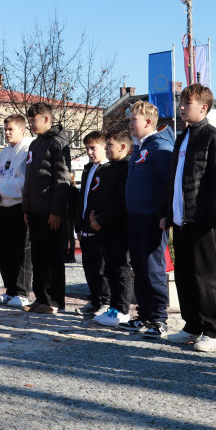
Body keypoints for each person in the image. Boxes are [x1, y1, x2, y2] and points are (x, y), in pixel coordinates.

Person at [161, 84, 216, 353]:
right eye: (180, 102)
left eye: (187, 103)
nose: (181, 107)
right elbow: (175, 179)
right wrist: (168, 214)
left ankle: (214, 331)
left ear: (203, 107)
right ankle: (192, 325)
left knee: (206, 277)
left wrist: (214, 219)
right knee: (185, 276)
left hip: (202, 220)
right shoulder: (182, 138)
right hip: (181, 220)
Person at [121, 101, 175, 336]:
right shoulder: (140, 147)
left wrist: (164, 213)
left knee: (153, 269)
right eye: (130, 119)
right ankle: (144, 315)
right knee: (140, 268)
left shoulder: (160, 147)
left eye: (134, 120)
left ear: (148, 122)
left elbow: (168, 184)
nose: (130, 123)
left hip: (152, 218)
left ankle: (158, 319)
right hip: (135, 216)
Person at [20, 102, 72, 314]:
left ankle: (54, 302)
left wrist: (57, 211)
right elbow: (30, 178)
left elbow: (62, 179)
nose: (31, 123)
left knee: (52, 258)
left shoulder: (58, 143)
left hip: (50, 212)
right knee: (38, 257)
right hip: (34, 210)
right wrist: (26, 207)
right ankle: (40, 297)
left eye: (34, 120)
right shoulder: (35, 144)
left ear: (47, 120)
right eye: (30, 120)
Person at [0, 114, 34, 306]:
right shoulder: (5, 152)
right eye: (4, 129)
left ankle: (22, 292)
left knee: (21, 251)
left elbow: (24, 181)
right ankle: (10, 289)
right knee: (5, 252)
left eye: (10, 129)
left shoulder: (27, 150)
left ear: (22, 130)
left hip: (19, 206)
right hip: (3, 206)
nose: (6, 133)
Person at [90, 130, 135, 327]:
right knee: (110, 268)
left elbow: (122, 202)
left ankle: (122, 310)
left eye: (109, 145)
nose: (106, 148)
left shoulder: (127, 169)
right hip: (104, 227)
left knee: (120, 268)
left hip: (119, 227)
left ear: (123, 147)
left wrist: (103, 220)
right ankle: (113, 307)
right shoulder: (107, 169)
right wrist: (94, 216)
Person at [76, 130, 110, 316]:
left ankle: (105, 300)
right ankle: (95, 299)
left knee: (101, 267)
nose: (89, 152)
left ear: (104, 147)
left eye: (93, 148)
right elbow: (83, 198)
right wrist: (78, 225)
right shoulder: (88, 169)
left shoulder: (108, 169)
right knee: (88, 265)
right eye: (87, 148)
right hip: (85, 225)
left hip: (100, 226)